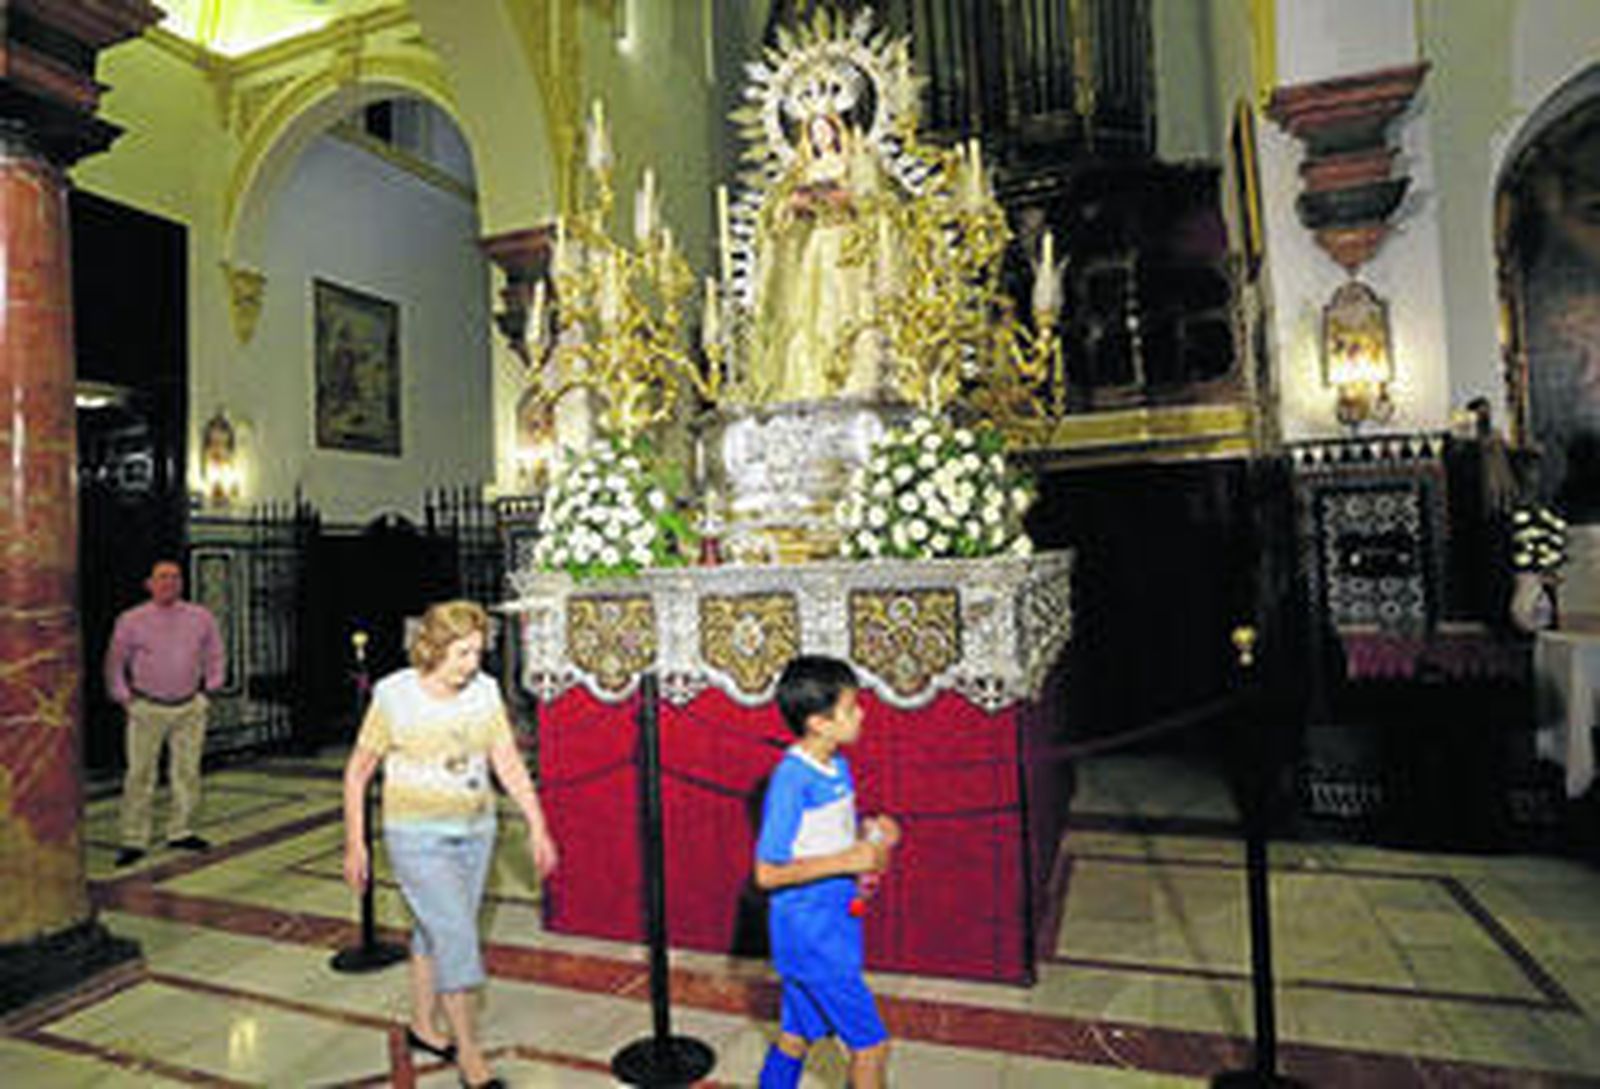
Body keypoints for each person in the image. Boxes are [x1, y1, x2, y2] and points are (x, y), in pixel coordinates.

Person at [342, 600, 558, 1089]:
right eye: (462, 653)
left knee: (432, 930)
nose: (472, 664)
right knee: (458, 937)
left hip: (476, 831)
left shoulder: (483, 691)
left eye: (477, 653)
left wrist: (536, 823)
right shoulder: (393, 695)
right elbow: (357, 773)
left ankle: (423, 1025)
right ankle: (470, 1055)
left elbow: (505, 760)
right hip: (416, 838)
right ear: (433, 648)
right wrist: (356, 843)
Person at [755, 655, 901, 1089]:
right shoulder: (790, 781)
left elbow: (828, 843)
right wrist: (847, 861)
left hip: (835, 924)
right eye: (851, 707)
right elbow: (766, 873)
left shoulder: (837, 766)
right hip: (810, 936)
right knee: (871, 1047)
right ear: (819, 722)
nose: (862, 713)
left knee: (795, 1037)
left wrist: (872, 836)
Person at [104, 559, 225, 868]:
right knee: (140, 775)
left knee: (187, 772)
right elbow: (115, 662)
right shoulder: (131, 619)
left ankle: (181, 830)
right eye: (162, 577)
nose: (169, 582)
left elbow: (215, 653)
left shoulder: (201, 617)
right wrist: (123, 697)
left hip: (189, 707)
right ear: (149, 583)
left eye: (175, 577)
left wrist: (211, 687)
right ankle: (134, 838)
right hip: (146, 707)